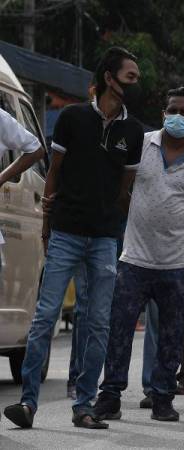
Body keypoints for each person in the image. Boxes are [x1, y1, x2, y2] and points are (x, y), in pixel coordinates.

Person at [3, 47, 144, 430]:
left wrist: (114, 230)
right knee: (45, 316)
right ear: (109, 77)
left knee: (97, 322)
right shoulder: (72, 117)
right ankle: (28, 403)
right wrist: (48, 223)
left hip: (103, 239)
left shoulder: (133, 132)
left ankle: (84, 405)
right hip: (65, 232)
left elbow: (124, 190)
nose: (135, 82)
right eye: (129, 75)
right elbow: (54, 174)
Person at [92, 87, 184, 424]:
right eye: (172, 109)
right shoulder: (142, 142)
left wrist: (174, 225)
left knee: (172, 336)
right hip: (133, 260)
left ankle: (163, 398)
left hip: (177, 263)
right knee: (119, 331)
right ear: (164, 113)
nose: (177, 116)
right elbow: (122, 190)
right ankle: (111, 396)